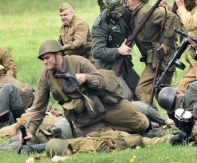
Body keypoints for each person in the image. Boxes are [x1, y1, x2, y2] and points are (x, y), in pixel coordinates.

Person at [21, 39, 150, 143]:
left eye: (47, 57)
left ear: (58, 54)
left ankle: (150, 122)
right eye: (43, 59)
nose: (44, 62)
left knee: (141, 124)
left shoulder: (78, 62)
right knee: (109, 141)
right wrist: (30, 131)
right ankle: (136, 138)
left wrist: (85, 78)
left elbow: (101, 81)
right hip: (85, 120)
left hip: (106, 107)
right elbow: (39, 107)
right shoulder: (46, 77)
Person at [124, 0, 177, 104]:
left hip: (162, 58)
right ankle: (174, 114)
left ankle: (154, 116)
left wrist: (167, 42)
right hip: (155, 59)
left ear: (137, 0)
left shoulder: (145, 11)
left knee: (143, 91)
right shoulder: (134, 12)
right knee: (163, 95)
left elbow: (172, 17)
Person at [91, 0, 139, 97]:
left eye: (121, 11)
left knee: (141, 91)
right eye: (115, 13)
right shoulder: (100, 25)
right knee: (126, 96)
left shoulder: (123, 11)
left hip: (124, 64)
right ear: (109, 11)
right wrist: (119, 51)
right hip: (109, 69)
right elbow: (97, 51)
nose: (120, 15)